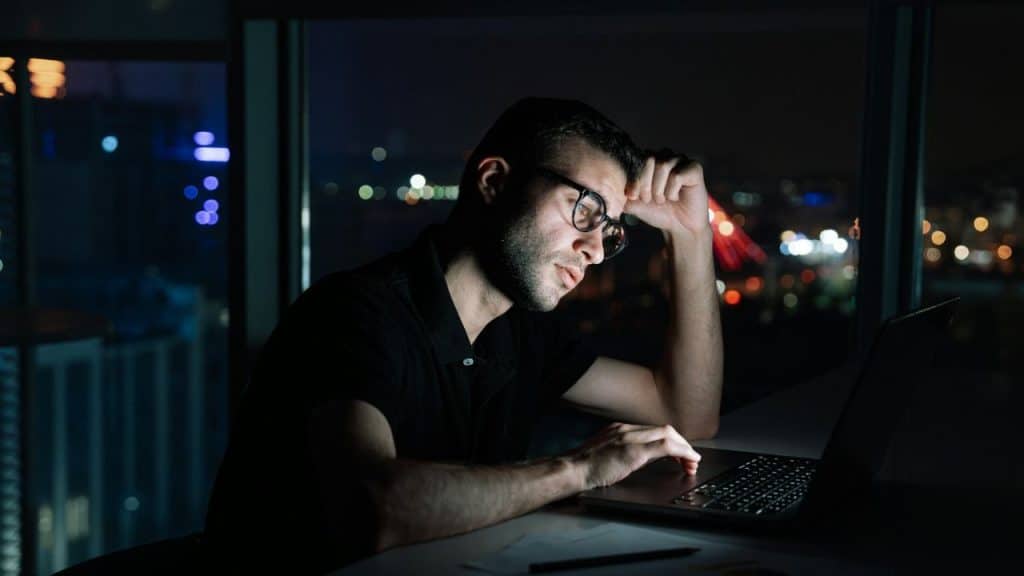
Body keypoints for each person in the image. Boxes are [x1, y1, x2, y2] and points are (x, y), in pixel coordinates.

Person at [203, 97, 723, 574]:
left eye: (608, 231)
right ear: (494, 181)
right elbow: (372, 507)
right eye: (584, 209)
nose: (592, 247)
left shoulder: (520, 330)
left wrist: (691, 234)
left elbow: (688, 410)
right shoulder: (353, 315)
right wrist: (579, 470)